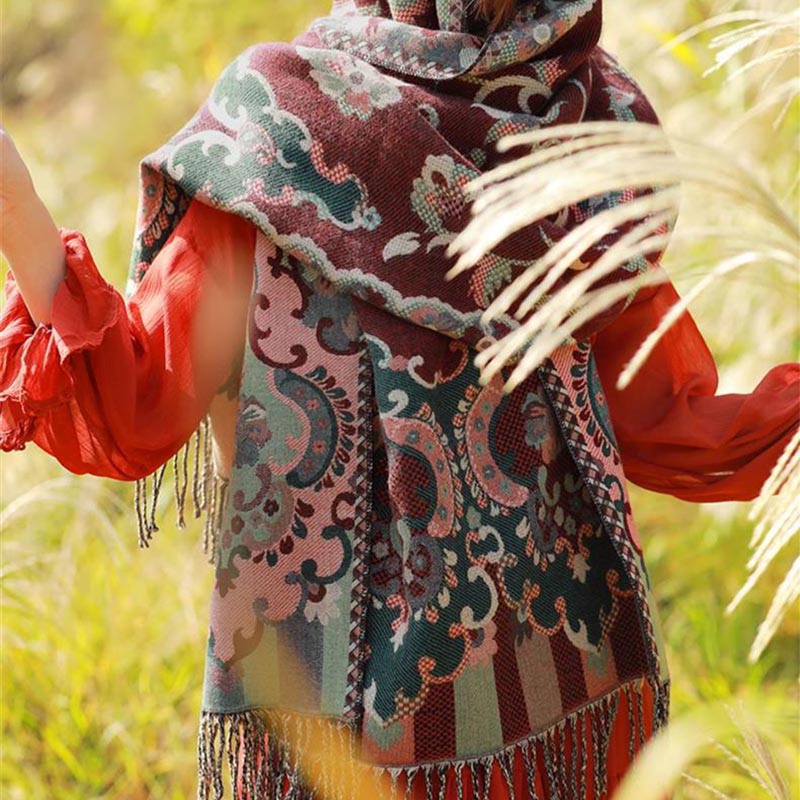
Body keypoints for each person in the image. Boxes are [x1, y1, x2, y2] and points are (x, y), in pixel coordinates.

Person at [1, 1, 797, 798]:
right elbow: (132, 406)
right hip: (504, 720)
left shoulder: (581, 137)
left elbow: (660, 415)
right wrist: (14, 201)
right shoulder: (298, 130)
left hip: (480, 733)